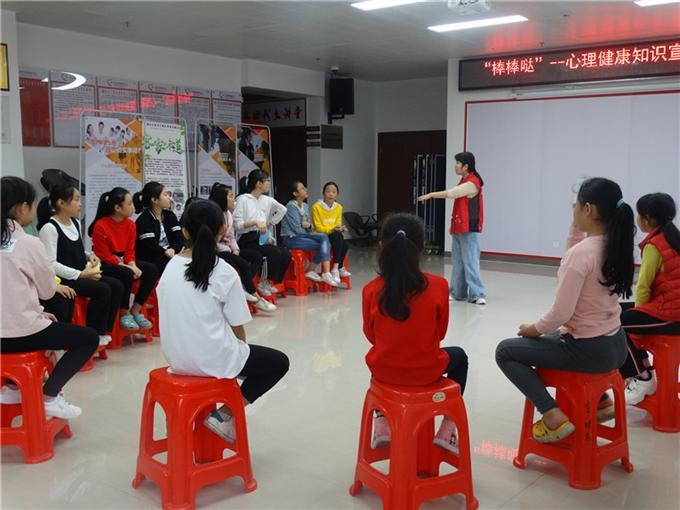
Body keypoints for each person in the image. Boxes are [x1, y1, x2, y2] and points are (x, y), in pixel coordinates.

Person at [495, 178, 634, 443]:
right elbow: (577, 249)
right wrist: (576, 223)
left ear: (588, 209)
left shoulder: (582, 254)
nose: (573, 210)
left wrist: (533, 329)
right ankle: (602, 402)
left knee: (506, 351)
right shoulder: (615, 245)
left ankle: (551, 415)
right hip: (617, 346)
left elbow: (561, 313)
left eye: (576, 206)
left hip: (588, 350)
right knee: (555, 334)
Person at [157, 199, 289, 441]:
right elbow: (238, 327)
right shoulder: (224, 271)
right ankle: (224, 416)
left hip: (175, 359)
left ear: (185, 232)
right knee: (279, 363)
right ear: (222, 229)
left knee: (238, 357)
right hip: (211, 359)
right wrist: (240, 355)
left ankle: (177, 419)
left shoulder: (170, 267)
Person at [362, 213, 469, 453]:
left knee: (379, 356)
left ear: (381, 246)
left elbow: (371, 335)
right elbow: (440, 334)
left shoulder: (371, 290)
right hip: (426, 371)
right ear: (422, 248)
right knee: (460, 357)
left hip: (385, 370)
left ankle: (382, 421)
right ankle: (447, 429)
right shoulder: (438, 286)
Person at [0, 176, 98, 419]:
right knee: (88, 339)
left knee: (46, 319)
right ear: (22, 208)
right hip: (21, 334)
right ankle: (50, 396)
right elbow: (46, 292)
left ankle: (12, 387)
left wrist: (36, 311)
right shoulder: (28, 243)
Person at [37, 185, 124, 346]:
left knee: (117, 285)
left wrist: (90, 255)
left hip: (81, 274)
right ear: (61, 203)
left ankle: (104, 329)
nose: (80, 203)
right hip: (64, 280)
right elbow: (51, 264)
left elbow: (76, 247)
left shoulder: (75, 223)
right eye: (76, 200)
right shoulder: (49, 229)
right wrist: (80, 274)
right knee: (103, 289)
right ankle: (94, 332)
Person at [618, 193, 680, 405]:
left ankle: (642, 377)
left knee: (615, 323)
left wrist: (636, 325)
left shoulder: (654, 245)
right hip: (670, 306)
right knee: (617, 311)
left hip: (671, 314)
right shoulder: (674, 238)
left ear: (647, 219)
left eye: (639, 214)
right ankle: (644, 365)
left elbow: (643, 288)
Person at [418, 151, 486, 305]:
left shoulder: (472, 183)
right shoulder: (464, 180)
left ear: (466, 166)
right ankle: (458, 293)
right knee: (458, 263)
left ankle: (477, 294)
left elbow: (452, 194)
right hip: (459, 228)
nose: (455, 166)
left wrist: (431, 195)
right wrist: (453, 226)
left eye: (458, 163)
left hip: (469, 229)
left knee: (470, 262)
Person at [88, 187, 158, 331]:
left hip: (124, 262)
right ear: (117, 208)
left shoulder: (131, 224)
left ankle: (136, 310)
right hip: (105, 264)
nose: (133, 207)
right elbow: (103, 255)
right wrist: (127, 267)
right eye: (129, 204)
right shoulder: (100, 225)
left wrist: (132, 264)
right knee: (126, 273)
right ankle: (124, 312)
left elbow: (130, 250)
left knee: (151, 270)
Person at [208, 183, 276, 313]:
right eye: (230, 196)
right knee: (240, 263)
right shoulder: (213, 215)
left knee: (256, 257)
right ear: (222, 198)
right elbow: (212, 241)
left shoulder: (228, 215)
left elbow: (231, 237)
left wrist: (236, 249)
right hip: (216, 250)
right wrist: (228, 250)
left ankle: (245, 286)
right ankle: (255, 297)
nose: (234, 199)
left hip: (229, 249)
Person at [233, 170, 291, 296]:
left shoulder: (266, 200)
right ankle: (261, 281)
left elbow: (282, 210)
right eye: (267, 181)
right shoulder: (243, 199)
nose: (269, 183)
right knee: (273, 253)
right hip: (247, 240)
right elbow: (237, 225)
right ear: (258, 183)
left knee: (286, 254)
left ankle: (270, 281)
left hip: (261, 237)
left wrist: (270, 223)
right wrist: (254, 223)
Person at [280, 180, 336, 287]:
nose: (305, 189)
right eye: (302, 188)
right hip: (291, 239)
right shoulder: (290, 206)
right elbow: (296, 229)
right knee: (325, 244)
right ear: (295, 193)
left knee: (324, 240)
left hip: (302, 236)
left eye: (304, 187)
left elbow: (310, 226)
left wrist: (308, 226)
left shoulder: (305, 206)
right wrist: (307, 228)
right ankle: (315, 271)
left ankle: (321, 272)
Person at [133, 181, 183, 275]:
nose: (169, 198)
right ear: (154, 200)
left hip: (170, 254)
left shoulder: (170, 215)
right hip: (152, 259)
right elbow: (151, 247)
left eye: (169, 195)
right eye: (165, 195)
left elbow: (179, 238)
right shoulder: (144, 220)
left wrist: (173, 249)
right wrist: (167, 252)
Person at [311, 182, 351, 285]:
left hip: (334, 235)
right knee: (338, 236)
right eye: (328, 191)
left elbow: (338, 223)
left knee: (346, 244)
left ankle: (336, 268)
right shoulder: (316, 206)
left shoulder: (338, 207)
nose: (331, 194)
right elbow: (318, 227)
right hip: (320, 235)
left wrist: (340, 228)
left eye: (334, 192)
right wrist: (332, 229)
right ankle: (337, 268)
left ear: (337, 194)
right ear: (323, 193)